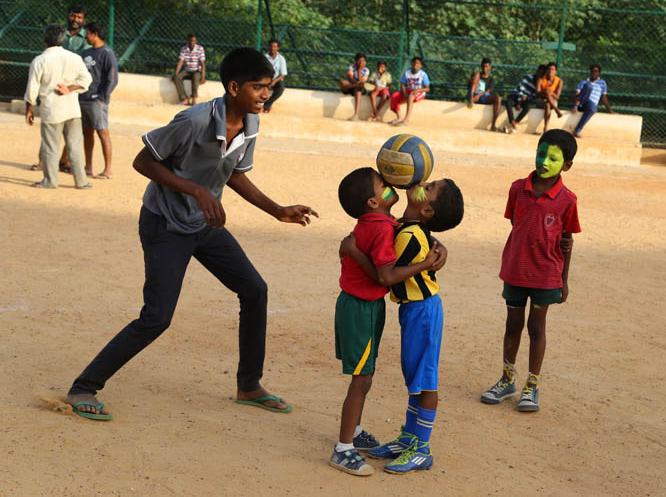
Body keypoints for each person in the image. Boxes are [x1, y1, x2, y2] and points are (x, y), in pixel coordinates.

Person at [64, 47, 318, 420]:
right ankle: (83, 388)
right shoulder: (194, 120)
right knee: (157, 317)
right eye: (259, 87)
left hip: (204, 225)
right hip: (165, 224)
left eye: (269, 87)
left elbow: (234, 172)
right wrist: (196, 190)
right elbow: (143, 161)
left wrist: (277, 210)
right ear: (234, 87)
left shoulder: (251, 122)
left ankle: (248, 385)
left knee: (254, 290)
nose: (267, 94)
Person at [342, 178, 464, 475]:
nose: (422, 182)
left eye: (430, 187)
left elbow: (387, 276)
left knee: (425, 378)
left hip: (423, 311)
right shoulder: (406, 227)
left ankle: (422, 448)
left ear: (427, 211)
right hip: (413, 311)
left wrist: (354, 251)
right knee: (414, 375)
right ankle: (409, 438)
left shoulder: (411, 234)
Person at [481, 129, 580, 412]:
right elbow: (517, 225)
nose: (544, 161)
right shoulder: (517, 189)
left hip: (546, 277)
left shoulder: (568, 200)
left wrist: (564, 281)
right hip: (515, 271)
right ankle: (507, 380)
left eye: (553, 158)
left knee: (536, 327)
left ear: (567, 165)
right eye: (541, 153)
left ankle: (532, 385)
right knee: (512, 325)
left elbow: (567, 242)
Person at [24, 24, 92, 189]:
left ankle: (50, 181)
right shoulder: (74, 58)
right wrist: (69, 89)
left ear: (45, 39)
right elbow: (86, 80)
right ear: (63, 39)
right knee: (74, 146)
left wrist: (29, 110)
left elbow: (32, 89)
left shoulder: (40, 60)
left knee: (50, 147)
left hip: (52, 110)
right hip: (72, 109)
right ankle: (81, 182)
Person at [79, 22, 118, 179]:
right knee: (87, 132)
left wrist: (103, 98)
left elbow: (112, 78)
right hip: (84, 98)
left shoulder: (107, 53)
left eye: (87, 33)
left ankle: (107, 169)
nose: (86, 36)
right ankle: (88, 167)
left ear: (94, 34)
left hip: (97, 101)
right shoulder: (86, 53)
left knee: (103, 133)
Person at [571, 64, 616, 138]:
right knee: (588, 86)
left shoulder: (602, 83)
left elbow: (604, 97)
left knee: (593, 108)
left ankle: (577, 131)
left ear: (599, 73)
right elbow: (577, 95)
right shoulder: (583, 82)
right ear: (590, 72)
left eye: (596, 71)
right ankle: (576, 107)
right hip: (581, 103)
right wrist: (575, 106)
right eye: (592, 71)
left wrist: (610, 110)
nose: (594, 73)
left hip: (590, 106)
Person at [503, 65, 546, 134]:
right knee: (508, 102)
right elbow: (520, 89)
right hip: (517, 95)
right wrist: (519, 102)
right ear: (537, 71)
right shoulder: (528, 77)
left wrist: (526, 98)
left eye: (542, 73)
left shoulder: (541, 83)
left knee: (528, 107)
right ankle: (513, 123)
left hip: (526, 99)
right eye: (539, 72)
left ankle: (513, 125)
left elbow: (534, 96)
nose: (539, 74)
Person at [389, 56, 430, 126]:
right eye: (414, 63)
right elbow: (402, 84)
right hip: (409, 90)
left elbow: (427, 88)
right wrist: (404, 93)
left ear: (420, 66)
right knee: (394, 96)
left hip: (419, 92)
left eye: (418, 63)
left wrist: (418, 90)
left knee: (411, 95)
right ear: (411, 63)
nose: (415, 64)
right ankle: (399, 118)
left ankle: (406, 120)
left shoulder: (423, 74)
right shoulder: (407, 73)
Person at [467, 58, 502, 131]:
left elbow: (488, 91)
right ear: (481, 66)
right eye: (483, 66)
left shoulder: (491, 79)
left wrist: (479, 95)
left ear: (490, 67)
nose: (484, 68)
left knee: (498, 98)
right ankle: (470, 100)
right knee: (476, 74)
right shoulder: (477, 74)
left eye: (486, 66)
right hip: (473, 94)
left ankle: (493, 125)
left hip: (483, 96)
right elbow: (468, 86)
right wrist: (470, 81)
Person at [172, 33, 206, 106]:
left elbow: (202, 64)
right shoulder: (184, 49)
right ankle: (184, 99)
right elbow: (180, 62)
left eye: (194, 41)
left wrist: (203, 77)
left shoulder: (200, 48)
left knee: (195, 77)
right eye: (190, 40)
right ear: (187, 40)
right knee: (177, 78)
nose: (192, 42)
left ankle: (194, 98)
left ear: (196, 41)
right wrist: (175, 74)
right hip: (187, 71)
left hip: (196, 71)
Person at [339, 52, 370, 121]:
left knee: (358, 90)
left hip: (358, 88)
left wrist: (359, 71)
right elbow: (350, 78)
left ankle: (356, 115)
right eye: (359, 60)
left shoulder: (366, 70)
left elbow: (362, 81)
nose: (361, 62)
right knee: (342, 82)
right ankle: (355, 86)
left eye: (363, 61)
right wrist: (356, 83)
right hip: (351, 86)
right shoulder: (351, 67)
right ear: (356, 61)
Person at [536, 63, 563, 133]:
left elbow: (557, 97)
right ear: (546, 70)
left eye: (553, 69)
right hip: (541, 100)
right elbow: (537, 94)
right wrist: (544, 91)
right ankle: (556, 110)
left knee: (548, 104)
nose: (550, 71)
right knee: (547, 94)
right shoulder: (541, 79)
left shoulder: (559, 81)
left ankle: (545, 128)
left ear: (556, 71)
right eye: (549, 69)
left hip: (552, 102)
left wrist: (550, 92)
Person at [262, 39, 287, 113]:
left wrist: (273, 82)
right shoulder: (264, 57)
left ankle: (267, 105)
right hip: (264, 79)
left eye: (274, 47)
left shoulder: (281, 58)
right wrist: (267, 81)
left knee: (281, 86)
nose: (272, 48)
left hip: (275, 81)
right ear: (268, 47)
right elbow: (260, 71)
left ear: (278, 48)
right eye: (271, 46)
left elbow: (283, 74)